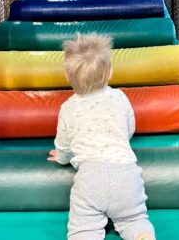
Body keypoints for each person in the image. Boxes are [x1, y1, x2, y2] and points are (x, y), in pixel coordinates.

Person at [48, 34, 155, 240]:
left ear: (68, 78)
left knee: (83, 230)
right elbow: (129, 129)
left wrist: (61, 158)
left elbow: (64, 144)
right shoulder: (119, 97)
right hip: (127, 175)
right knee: (135, 220)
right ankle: (143, 236)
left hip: (91, 179)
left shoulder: (68, 107)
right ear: (110, 73)